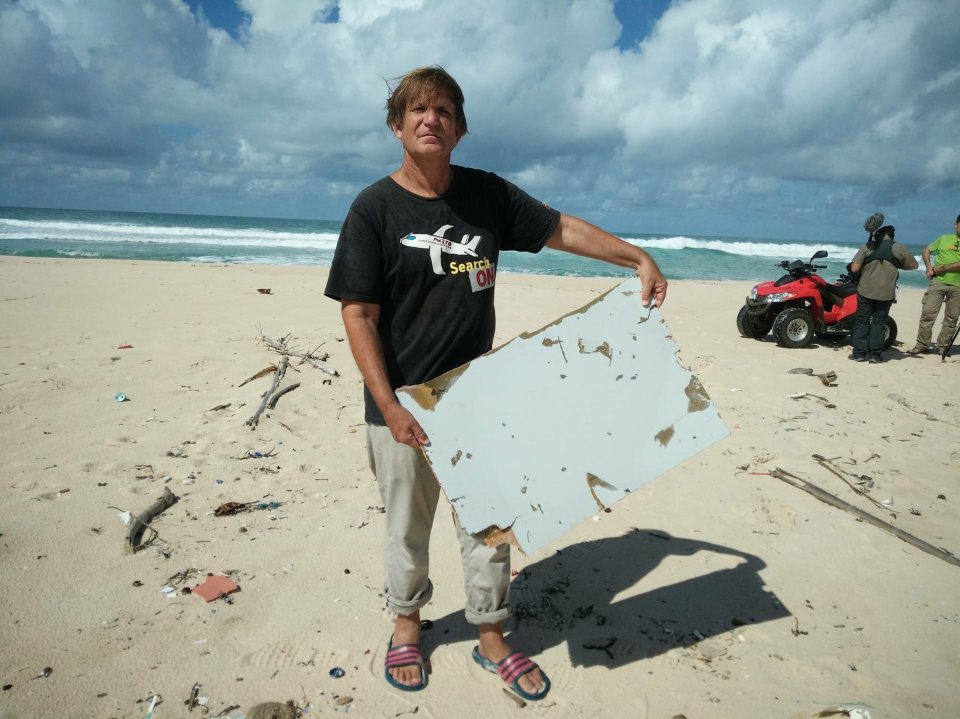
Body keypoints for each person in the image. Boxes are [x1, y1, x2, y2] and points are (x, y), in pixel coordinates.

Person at [324, 66, 667, 700]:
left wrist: (637, 257)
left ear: (460, 128)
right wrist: (388, 403)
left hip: (477, 399)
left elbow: (560, 229)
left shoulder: (487, 196)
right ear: (397, 125)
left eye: (445, 111)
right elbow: (358, 313)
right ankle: (406, 625)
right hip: (401, 403)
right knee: (406, 525)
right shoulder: (373, 208)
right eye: (418, 111)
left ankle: (489, 635)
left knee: (488, 526)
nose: (432, 120)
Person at [848, 223, 918, 363]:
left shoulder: (867, 246)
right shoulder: (900, 248)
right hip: (886, 293)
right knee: (879, 322)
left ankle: (859, 354)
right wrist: (896, 264)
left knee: (862, 320)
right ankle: (875, 355)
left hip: (866, 290)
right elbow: (913, 266)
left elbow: (854, 268)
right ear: (892, 236)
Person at [906, 214, 960, 355]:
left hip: (958, 286)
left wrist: (941, 268)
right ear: (956, 224)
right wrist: (929, 267)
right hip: (938, 282)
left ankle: (942, 346)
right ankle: (922, 345)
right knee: (928, 314)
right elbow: (926, 250)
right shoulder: (944, 238)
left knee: (951, 318)